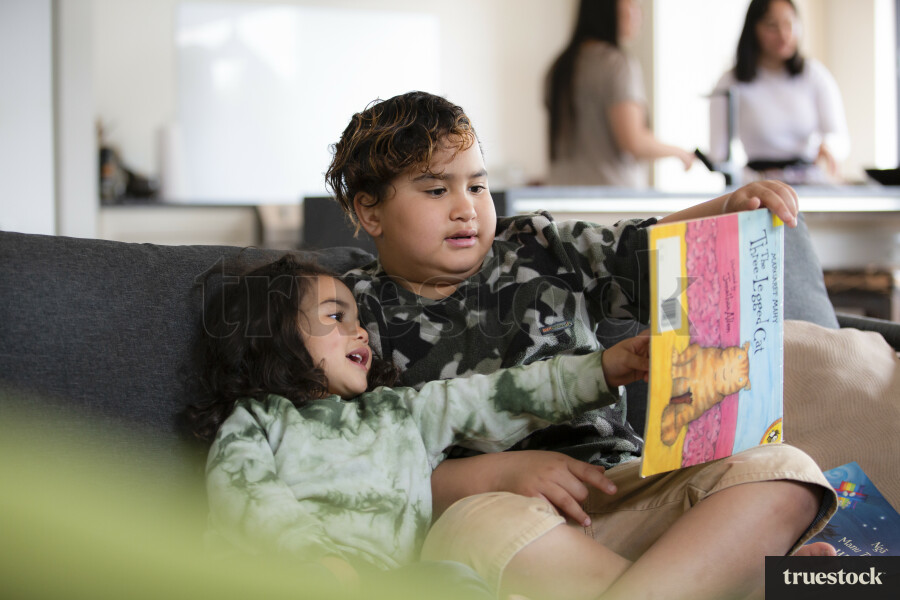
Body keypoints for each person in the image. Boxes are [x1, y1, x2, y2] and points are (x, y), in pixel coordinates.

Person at [330, 90, 838, 600]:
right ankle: (739, 581)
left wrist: (727, 208)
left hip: (622, 490)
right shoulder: (349, 314)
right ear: (370, 212)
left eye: (478, 186)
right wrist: (493, 472)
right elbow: (358, 462)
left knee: (788, 471)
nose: (466, 208)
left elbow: (651, 250)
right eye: (437, 191)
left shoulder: (539, 245)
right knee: (475, 530)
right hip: (506, 518)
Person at [188, 254, 655, 599]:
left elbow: (495, 397)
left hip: (387, 584)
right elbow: (247, 498)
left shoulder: (398, 413)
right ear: (274, 332)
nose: (361, 333)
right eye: (336, 316)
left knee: (455, 583)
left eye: (358, 320)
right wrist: (320, 564)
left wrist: (605, 369)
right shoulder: (255, 419)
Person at [545, 0, 694, 187]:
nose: (639, 14)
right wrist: (679, 152)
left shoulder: (559, 66)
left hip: (559, 195)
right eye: (632, 6)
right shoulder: (615, 64)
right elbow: (632, 140)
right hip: (611, 197)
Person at [709, 0, 850, 185]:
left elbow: (839, 136)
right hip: (758, 184)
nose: (784, 35)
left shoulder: (814, 75)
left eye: (790, 24)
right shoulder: (731, 81)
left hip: (809, 182)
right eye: (772, 26)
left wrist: (828, 146)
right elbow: (718, 152)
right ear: (753, 29)